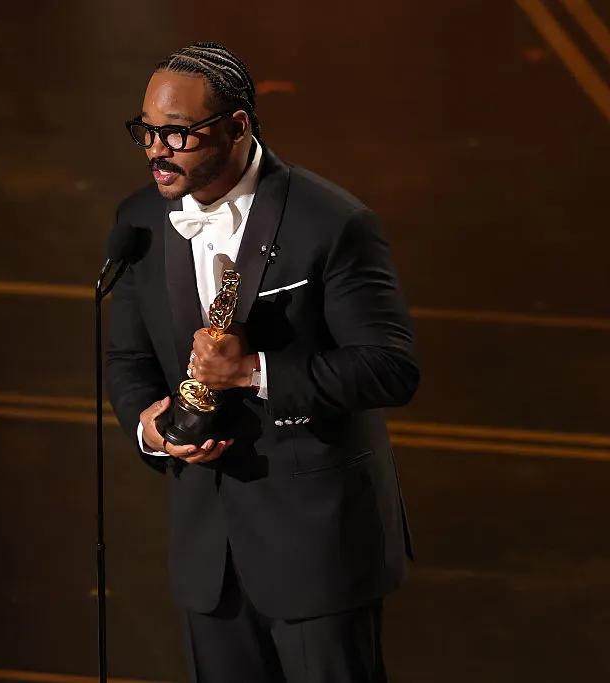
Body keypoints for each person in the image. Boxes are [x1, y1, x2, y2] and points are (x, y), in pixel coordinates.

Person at [105, 42, 419, 683]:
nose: (156, 150)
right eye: (146, 131)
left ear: (238, 126)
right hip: (208, 560)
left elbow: (390, 367)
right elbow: (127, 355)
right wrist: (152, 428)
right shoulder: (140, 219)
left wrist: (252, 373)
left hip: (318, 553)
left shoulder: (331, 223)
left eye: (177, 134)